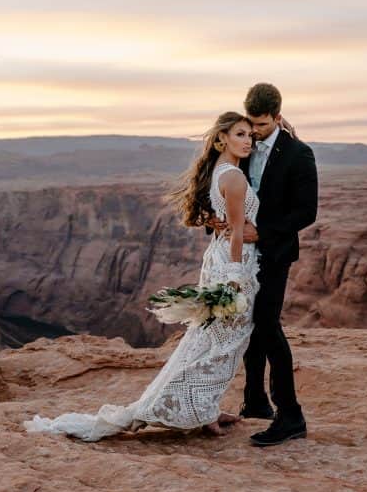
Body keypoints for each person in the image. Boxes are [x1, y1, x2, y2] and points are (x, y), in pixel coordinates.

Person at [23, 112, 260, 441]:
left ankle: (204, 406)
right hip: (234, 265)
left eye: (250, 135)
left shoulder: (219, 170)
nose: (248, 140)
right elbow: (237, 232)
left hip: (219, 259)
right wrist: (236, 277)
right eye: (240, 134)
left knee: (210, 339)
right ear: (222, 139)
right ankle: (198, 409)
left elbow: (221, 222)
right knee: (226, 341)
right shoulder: (233, 177)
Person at [214, 83, 318, 447]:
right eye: (251, 125)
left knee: (268, 326)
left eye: (260, 125)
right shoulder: (245, 144)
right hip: (246, 253)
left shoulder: (298, 153)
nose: (254, 132)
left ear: (276, 117)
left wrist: (265, 234)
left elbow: (307, 211)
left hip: (273, 253)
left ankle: (291, 416)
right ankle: (256, 401)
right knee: (250, 323)